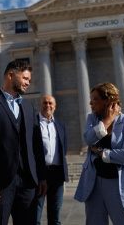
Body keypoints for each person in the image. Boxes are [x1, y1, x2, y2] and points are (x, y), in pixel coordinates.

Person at [74, 82, 124, 225]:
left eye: (94, 99)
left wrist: (101, 152)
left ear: (107, 101)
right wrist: (108, 120)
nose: (90, 103)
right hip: (94, 183)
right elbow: (89, 140)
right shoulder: (92, 119)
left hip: (120, 184)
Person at [0, 60, 47, 225]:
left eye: (29, 80)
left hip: (28, 183)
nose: (27, 83)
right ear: (11, 75)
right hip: (0, 183)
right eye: (25, 78)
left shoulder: (28, 108)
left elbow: (37, 145)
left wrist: (41, 177)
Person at [37, 95, 69, 225]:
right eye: (45, 103)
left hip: (57, 174)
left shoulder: (60, 125)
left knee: (55, 215)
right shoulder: (33, 123)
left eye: (50, 103)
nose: (47, 105)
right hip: (39, 174)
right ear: (40, 105)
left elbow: (64, 148)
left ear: (55, 106)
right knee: (35, 214)